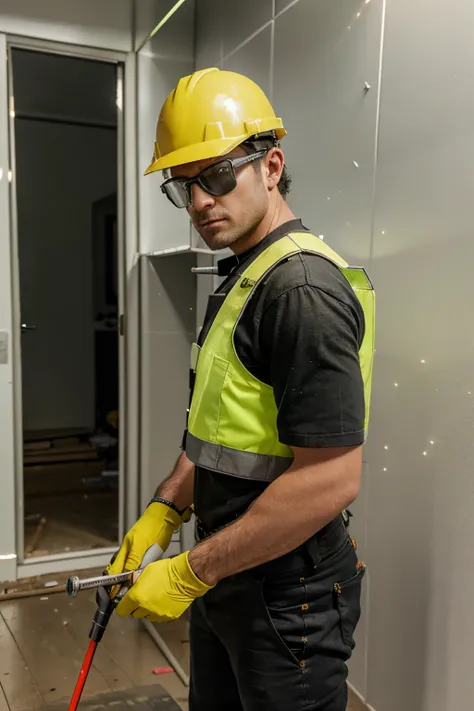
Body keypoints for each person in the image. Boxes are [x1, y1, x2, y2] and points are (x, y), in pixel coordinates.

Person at [107, 68, 375, 711]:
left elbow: (331, 480)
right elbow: (219, 431)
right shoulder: (246, 274)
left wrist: (191, 569)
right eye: (184, 185)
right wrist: (167, 508)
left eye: (218, 176)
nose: (200, 201)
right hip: (230, 570)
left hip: (290, 599)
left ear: (271, 166)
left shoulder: (300, 290)